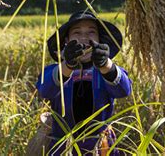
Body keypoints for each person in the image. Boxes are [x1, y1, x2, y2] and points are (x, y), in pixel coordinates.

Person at [36, 11, 132, 155]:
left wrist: (106, 65)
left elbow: (124, 90)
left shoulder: (106, 71)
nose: (84, 38)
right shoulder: (54, 71)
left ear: (99, 40)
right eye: (77, 33)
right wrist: (68, 65)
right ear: (67, 41)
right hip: (63, 147)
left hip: (100, 147)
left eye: (91, 32)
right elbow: (45, 90)